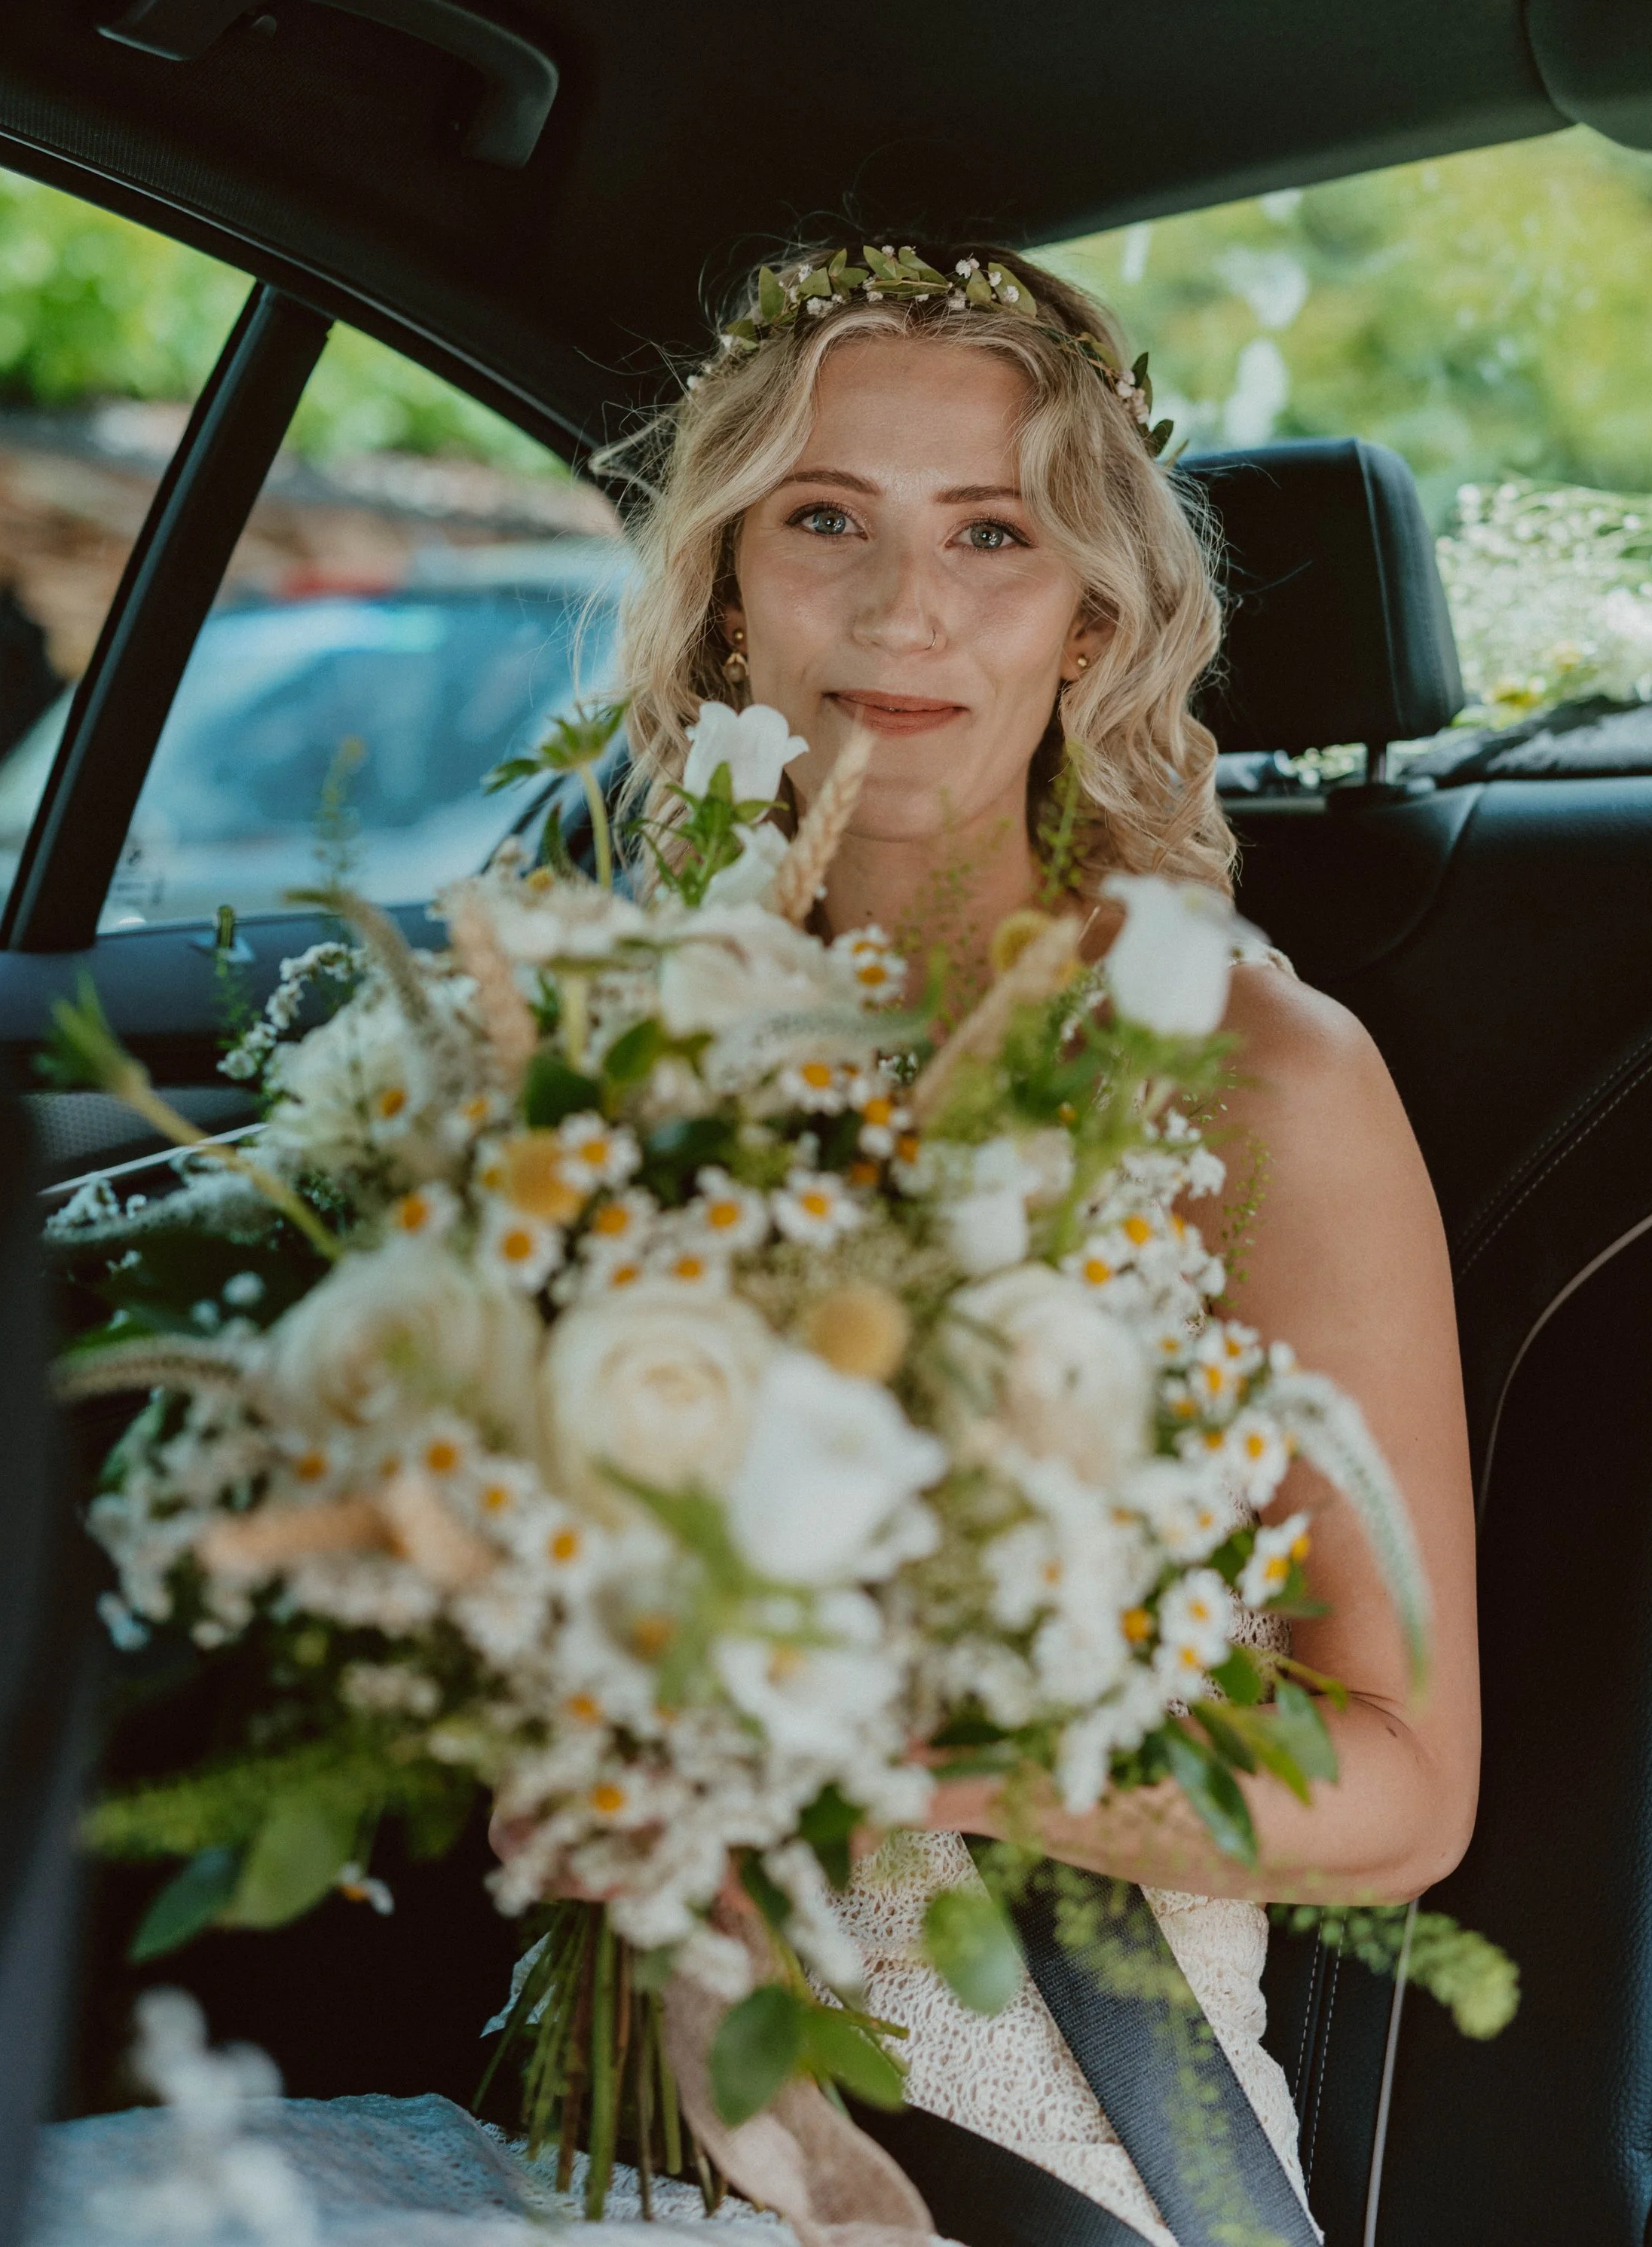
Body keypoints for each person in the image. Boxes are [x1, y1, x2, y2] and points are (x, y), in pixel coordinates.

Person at [589, 242, 1482, 2246]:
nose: (904, 605)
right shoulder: (620, 1054)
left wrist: (941, 1749)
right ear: (728, 590)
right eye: (826, 516)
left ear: (1094, 610)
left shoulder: (1256, 1079)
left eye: (989, 531)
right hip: (603, 2111)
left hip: (1026, 2143)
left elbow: (1403, 1784)